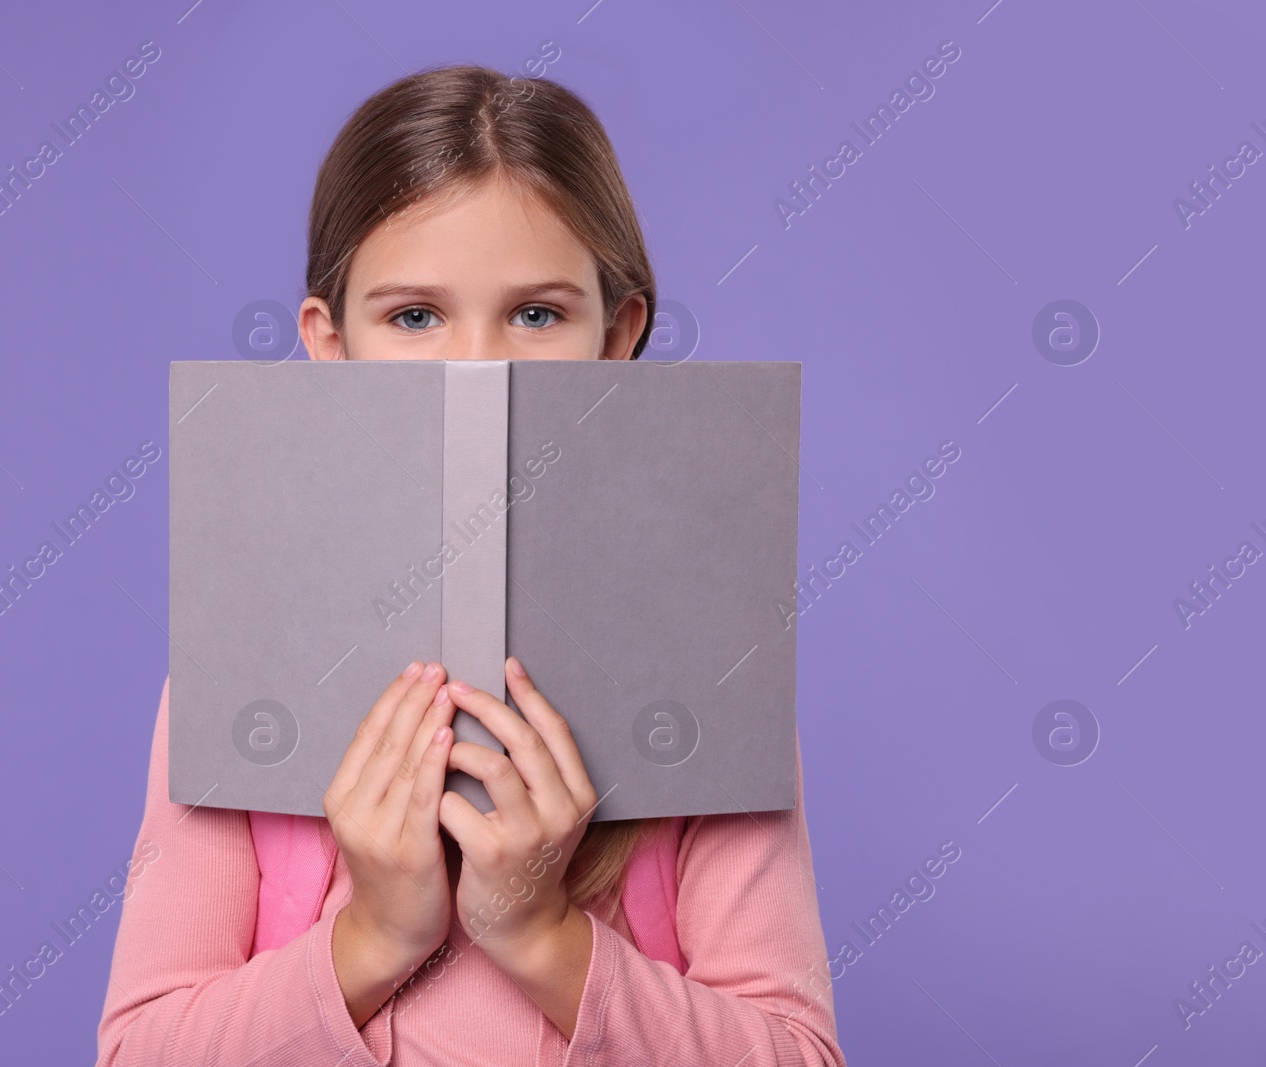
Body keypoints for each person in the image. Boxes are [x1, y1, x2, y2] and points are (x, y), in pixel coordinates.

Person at [96, 63, 845, 1066]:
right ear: (331, 344)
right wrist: (372, 938)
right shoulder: (237, 679)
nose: (477, 368)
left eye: (536, 313)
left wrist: (544, 936)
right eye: (414, 316)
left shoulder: (710, 671)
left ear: (616, 337)